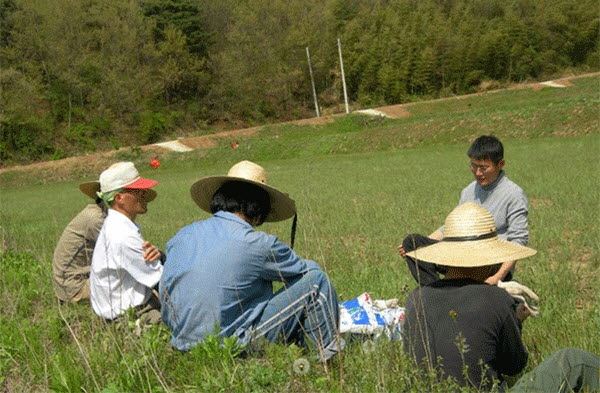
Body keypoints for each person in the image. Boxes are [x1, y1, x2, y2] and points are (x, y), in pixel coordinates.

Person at [403, 202, 599, 392]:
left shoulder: (415, 299)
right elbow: (514, 366)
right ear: (487, 260)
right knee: (573, 361)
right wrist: (517, 321)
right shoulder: (495, 298)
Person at [160, 160, 344, 361]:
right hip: (231, 348)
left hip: (183, 346)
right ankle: (328, 360)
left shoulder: (181, 236)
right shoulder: (258, 243)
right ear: (259, 207)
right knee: (317, 282)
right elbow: (308, 273)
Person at [399, 135, 529, 286]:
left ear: (500, 164)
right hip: (462, 255)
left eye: (483, 168)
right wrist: (423, 250)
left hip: (491, 263)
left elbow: (518, 241)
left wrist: (497, 278)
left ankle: (444, 293)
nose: (478, 173)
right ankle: (434, 292)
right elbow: (450, 229)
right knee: (412, 243)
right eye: (474, 166)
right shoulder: (468, 191)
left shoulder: (514, 194)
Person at [89, 162, 163, 323]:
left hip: (124, 308)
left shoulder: (117, 225)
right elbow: (162, 281)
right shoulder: (123, 235)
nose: (144, 194)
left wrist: (159, 255)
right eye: (138, 191)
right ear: (119, 198)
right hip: (131, 314)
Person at [52, 176, 107, 302]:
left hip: (70, 283)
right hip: (74, 287)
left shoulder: (97, 213)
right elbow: (120, 254)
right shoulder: (96, 219)